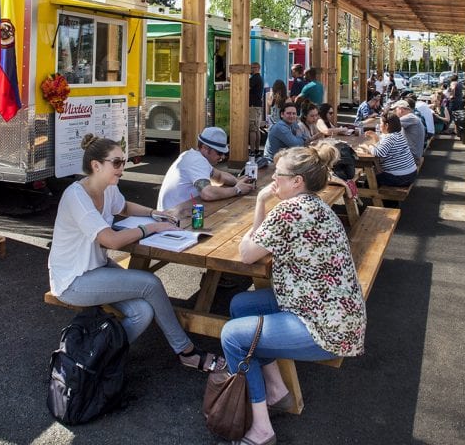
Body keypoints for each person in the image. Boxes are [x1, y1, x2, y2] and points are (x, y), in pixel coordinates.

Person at [220, 142, 366, 445]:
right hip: (333, 310)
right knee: (241, 305)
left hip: (325, 328)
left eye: (279, 174)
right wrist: (262, 204)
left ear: (297, 181)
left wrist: (260, 202)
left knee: (232, 335)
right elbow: (258, 247)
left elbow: (248, 253)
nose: (274, 179)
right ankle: (276, 390)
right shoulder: (315, 204)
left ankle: (262, 430)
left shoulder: (289, 211)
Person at [48, 134, 224, 371]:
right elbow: (111, 240)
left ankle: (100, 357)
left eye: (124, 161)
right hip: (73, 280)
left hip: (95, 268)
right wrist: (151, 227)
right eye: (117, 163)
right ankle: (186, 351)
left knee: (142, 311)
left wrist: (154, 213)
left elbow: (123, 207)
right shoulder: (76, 196)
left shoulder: (108, 187)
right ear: (96, 165)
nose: (123, 168)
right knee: (150, 284)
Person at [157, 126, 253, 210]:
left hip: (178, 211)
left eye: (224, 153)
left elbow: (219, 176)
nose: (223, 157)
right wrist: (237, 190)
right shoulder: (197, 161)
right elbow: (207, 193)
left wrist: (237, 181)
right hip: (173, 217)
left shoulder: (192, 155)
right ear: (205, 148)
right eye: (219, 153)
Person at [361, 113, 417, 187]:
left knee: (369, 182)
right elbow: (383, 148)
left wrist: (367, 147)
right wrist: (375, 137)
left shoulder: (390, 138)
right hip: (411, 174)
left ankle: (382, 197)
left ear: (386, 126)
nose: (379, 125)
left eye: (380, 123)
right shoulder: (398, 135)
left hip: (400, 177)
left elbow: (379, 152)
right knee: (377, 175)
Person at [392, 98, 425, 163]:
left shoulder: (409, 117)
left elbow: (389, 123)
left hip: (412, 157)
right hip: (413, 154)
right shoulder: (411, 117)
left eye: (395, 110)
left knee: (383, 154)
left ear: (401, 109)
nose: (394, 112)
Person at [249, 62, 265, 154]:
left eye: (251, 67)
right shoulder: (259, 78)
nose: (250, 69)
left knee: (252, 129)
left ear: (256, 68)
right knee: (256, 128)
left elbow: (245, 88)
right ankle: (257, 150)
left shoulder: (255, 78)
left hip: (253, 106)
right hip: (257, 106)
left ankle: (252, 151)